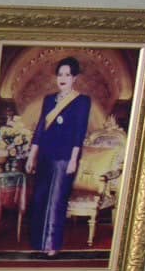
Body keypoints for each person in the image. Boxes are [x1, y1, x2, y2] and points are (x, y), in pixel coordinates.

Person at [24, 57, 96, 256]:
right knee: (40, 198)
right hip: (45, 154)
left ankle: (52, 245)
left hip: (65, 157)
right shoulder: (49, 100)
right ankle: (39, 243)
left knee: (56, 200)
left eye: (67, 75)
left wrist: (74, 159)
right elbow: (40, 129)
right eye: (60, 74)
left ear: (74, 78)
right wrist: (31, 156)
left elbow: (79, 132)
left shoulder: (82, 101)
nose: (63, 78)